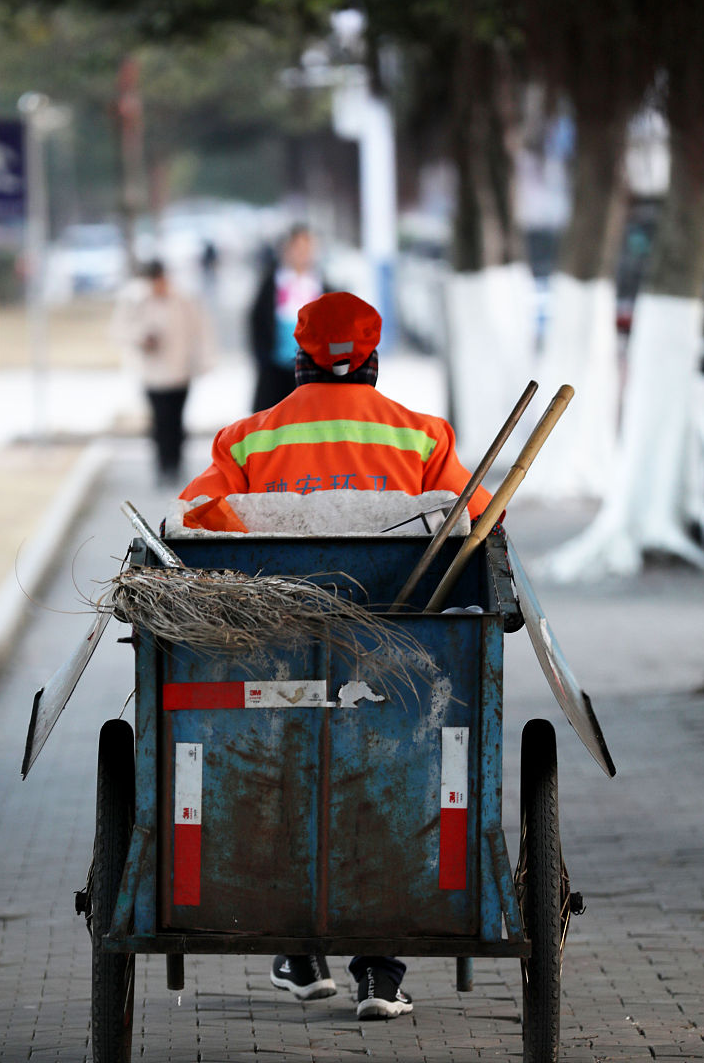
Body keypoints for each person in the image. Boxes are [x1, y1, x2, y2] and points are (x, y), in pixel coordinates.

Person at [180, 291, 493, 1020]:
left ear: (299, 359)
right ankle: (378, 974)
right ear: (374, 360)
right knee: (386, 790)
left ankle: (297, 952)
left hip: (270, 662)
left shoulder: (245, 440)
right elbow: (475, 520)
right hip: (401, 663)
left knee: (282, 782)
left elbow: (197, 515)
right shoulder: (423, 436)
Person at [111, 259, 214, 486]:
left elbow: (199, 330)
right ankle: (162, 465)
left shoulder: (183, 300)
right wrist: (142, 338)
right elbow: (120, 330)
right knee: (160, 421)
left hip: (180, 371)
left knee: (176, 421)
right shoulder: (136, 301)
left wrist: (203, 361)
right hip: (153, 374)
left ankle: (175, 464)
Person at [249, 224, 328, 412]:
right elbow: (258, 321)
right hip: (276, 370)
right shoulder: (273, 283)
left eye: (307, 248)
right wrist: (263, 357)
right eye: (297, 247)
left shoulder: (321, 285)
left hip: (311, 372)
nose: (302, 253)